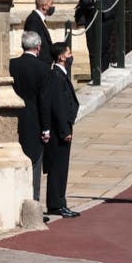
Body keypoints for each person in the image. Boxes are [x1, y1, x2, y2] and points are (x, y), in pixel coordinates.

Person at [9, 31, 51, 203]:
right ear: (38, 47)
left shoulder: (11, 64)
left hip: (14, 117)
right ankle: (33, 203)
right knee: (34, 162)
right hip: (34, 120)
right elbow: (44, 101)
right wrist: (46, 128)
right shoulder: (42, 68)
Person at [44, 42, 80, 218]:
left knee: (61, 168)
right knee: (58, 167)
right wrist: (65, 130)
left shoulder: (60, 75)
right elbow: (58, 106)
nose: (71, 56)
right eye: (69, 53)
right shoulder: (56, 76)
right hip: (60, 131)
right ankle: (56, 203)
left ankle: (59, 201)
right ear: (61, 57)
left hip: (63, 128)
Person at [23, 0, 55, 67]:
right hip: (39, 63)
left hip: (45, 63)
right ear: (44, 6)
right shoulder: (33, 20)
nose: (53, 6)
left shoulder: (39, 19)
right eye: (51, 4)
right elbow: (32, 44)